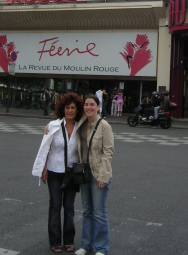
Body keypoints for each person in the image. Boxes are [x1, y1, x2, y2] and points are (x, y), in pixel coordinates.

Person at [32, 93, 84, 254]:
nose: (70, 111)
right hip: (55, 171)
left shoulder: (80, 127)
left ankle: (69, 240)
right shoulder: (53, 125)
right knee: (55, 206)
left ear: (77, 110)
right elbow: (45, 147)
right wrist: (43, 168)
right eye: (67, 108)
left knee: (69, 207)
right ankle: (55, 241)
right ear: (63, 109)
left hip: (71, 174)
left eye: (73, 108)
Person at [75, 94, 114, 255]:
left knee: (99, 212)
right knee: (87, 211)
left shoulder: (104, 125)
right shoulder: (82, 123)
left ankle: (102, 247)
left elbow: (108, 152)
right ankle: (86, 244)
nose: (88, 107)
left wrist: (103, 176)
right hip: (84, 171)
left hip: (98, 172)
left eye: (92, 104)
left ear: (98, 107)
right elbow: (65, 120)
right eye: (86, 104)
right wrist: (48, 127)